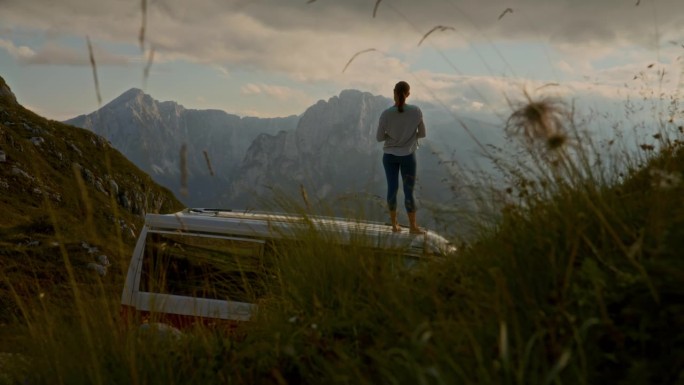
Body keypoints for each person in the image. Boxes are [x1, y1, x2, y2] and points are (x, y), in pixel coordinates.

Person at [376, 81, 426, 234]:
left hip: (389, 156)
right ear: (408, 94)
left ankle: (394, 226)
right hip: (408, 156)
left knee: (392, 189)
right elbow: (423, 134)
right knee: (408, 191)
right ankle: (413, 227)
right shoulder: (416, 111)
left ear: (394, 92)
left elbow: (379, 138)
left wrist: (393, 137)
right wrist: (409, 138)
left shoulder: (386, 114)